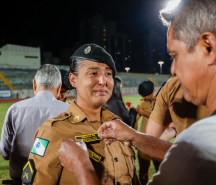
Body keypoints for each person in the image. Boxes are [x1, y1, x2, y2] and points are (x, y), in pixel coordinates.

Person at [58, 0, 216, 184]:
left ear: (209, 47)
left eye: (175, 56)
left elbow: (190, 159)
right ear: (73, 80)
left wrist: (81, 166)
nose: (172, 69)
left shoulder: (202, 138)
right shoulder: (200, 145)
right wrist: (135, 136)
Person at [24, 44, 138, 185]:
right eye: (93, 73)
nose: (103, 81)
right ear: (73, 80)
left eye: (108, 74)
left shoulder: (118, 125)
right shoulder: (52, 132)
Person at [0, 64, 69, 184]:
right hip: (57, 180)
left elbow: (5, 152)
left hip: (21, 179)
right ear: (59, 88)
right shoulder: (69, 111)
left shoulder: (15, 109)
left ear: (34, 84)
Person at [133, 81, 158, 185]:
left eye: (145, 95)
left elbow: (162, 118)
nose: (143, 97)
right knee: (143, 174)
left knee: (162, 171)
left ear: (152, 92)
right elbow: (135, 121)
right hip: (143, 143)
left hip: (158, 143)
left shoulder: (161, 101)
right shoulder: (142, 102)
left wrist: (144, 113)